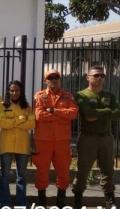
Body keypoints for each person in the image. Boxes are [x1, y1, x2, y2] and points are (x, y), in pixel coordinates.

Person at [73, 65, 120, 209]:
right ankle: (78, 198)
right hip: (88, 138)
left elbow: (117, 113)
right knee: (83, 170)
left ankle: (109, 199)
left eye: (102, 75)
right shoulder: (81, 95)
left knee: (108, 170)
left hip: (106, 137)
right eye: (96, 75)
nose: (99, 78)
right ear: (88, 77)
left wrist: (99, 112)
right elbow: (89, 115)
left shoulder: (109, 95)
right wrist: (107, 111)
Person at [33, 69, 77, 207]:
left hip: (62, 141)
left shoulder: (68, 96)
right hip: (43, 141)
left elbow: (73, 113)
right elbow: (39, 116)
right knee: (42, 172)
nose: (54, 79)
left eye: (56, 77)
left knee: (63, 171)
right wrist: (61, 116)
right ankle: (41, 203)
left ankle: (60, 204)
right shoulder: (39, 96)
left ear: (60, 79)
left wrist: (53, 111)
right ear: (45, 81)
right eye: (50, 77)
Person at [0, 80, 34, 207]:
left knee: (22, 176)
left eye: (17, 90)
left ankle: (21, 202)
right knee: (5, 176)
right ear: (8, 91)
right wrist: (19, 120)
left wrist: (11, 122)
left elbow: (31, 124)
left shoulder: (27, 107)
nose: (14, 93)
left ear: (21, 91)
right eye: (12, 90)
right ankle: (5, 202)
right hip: (6, 144)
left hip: (22, 144)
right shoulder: (1, 106)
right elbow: (2, 123)